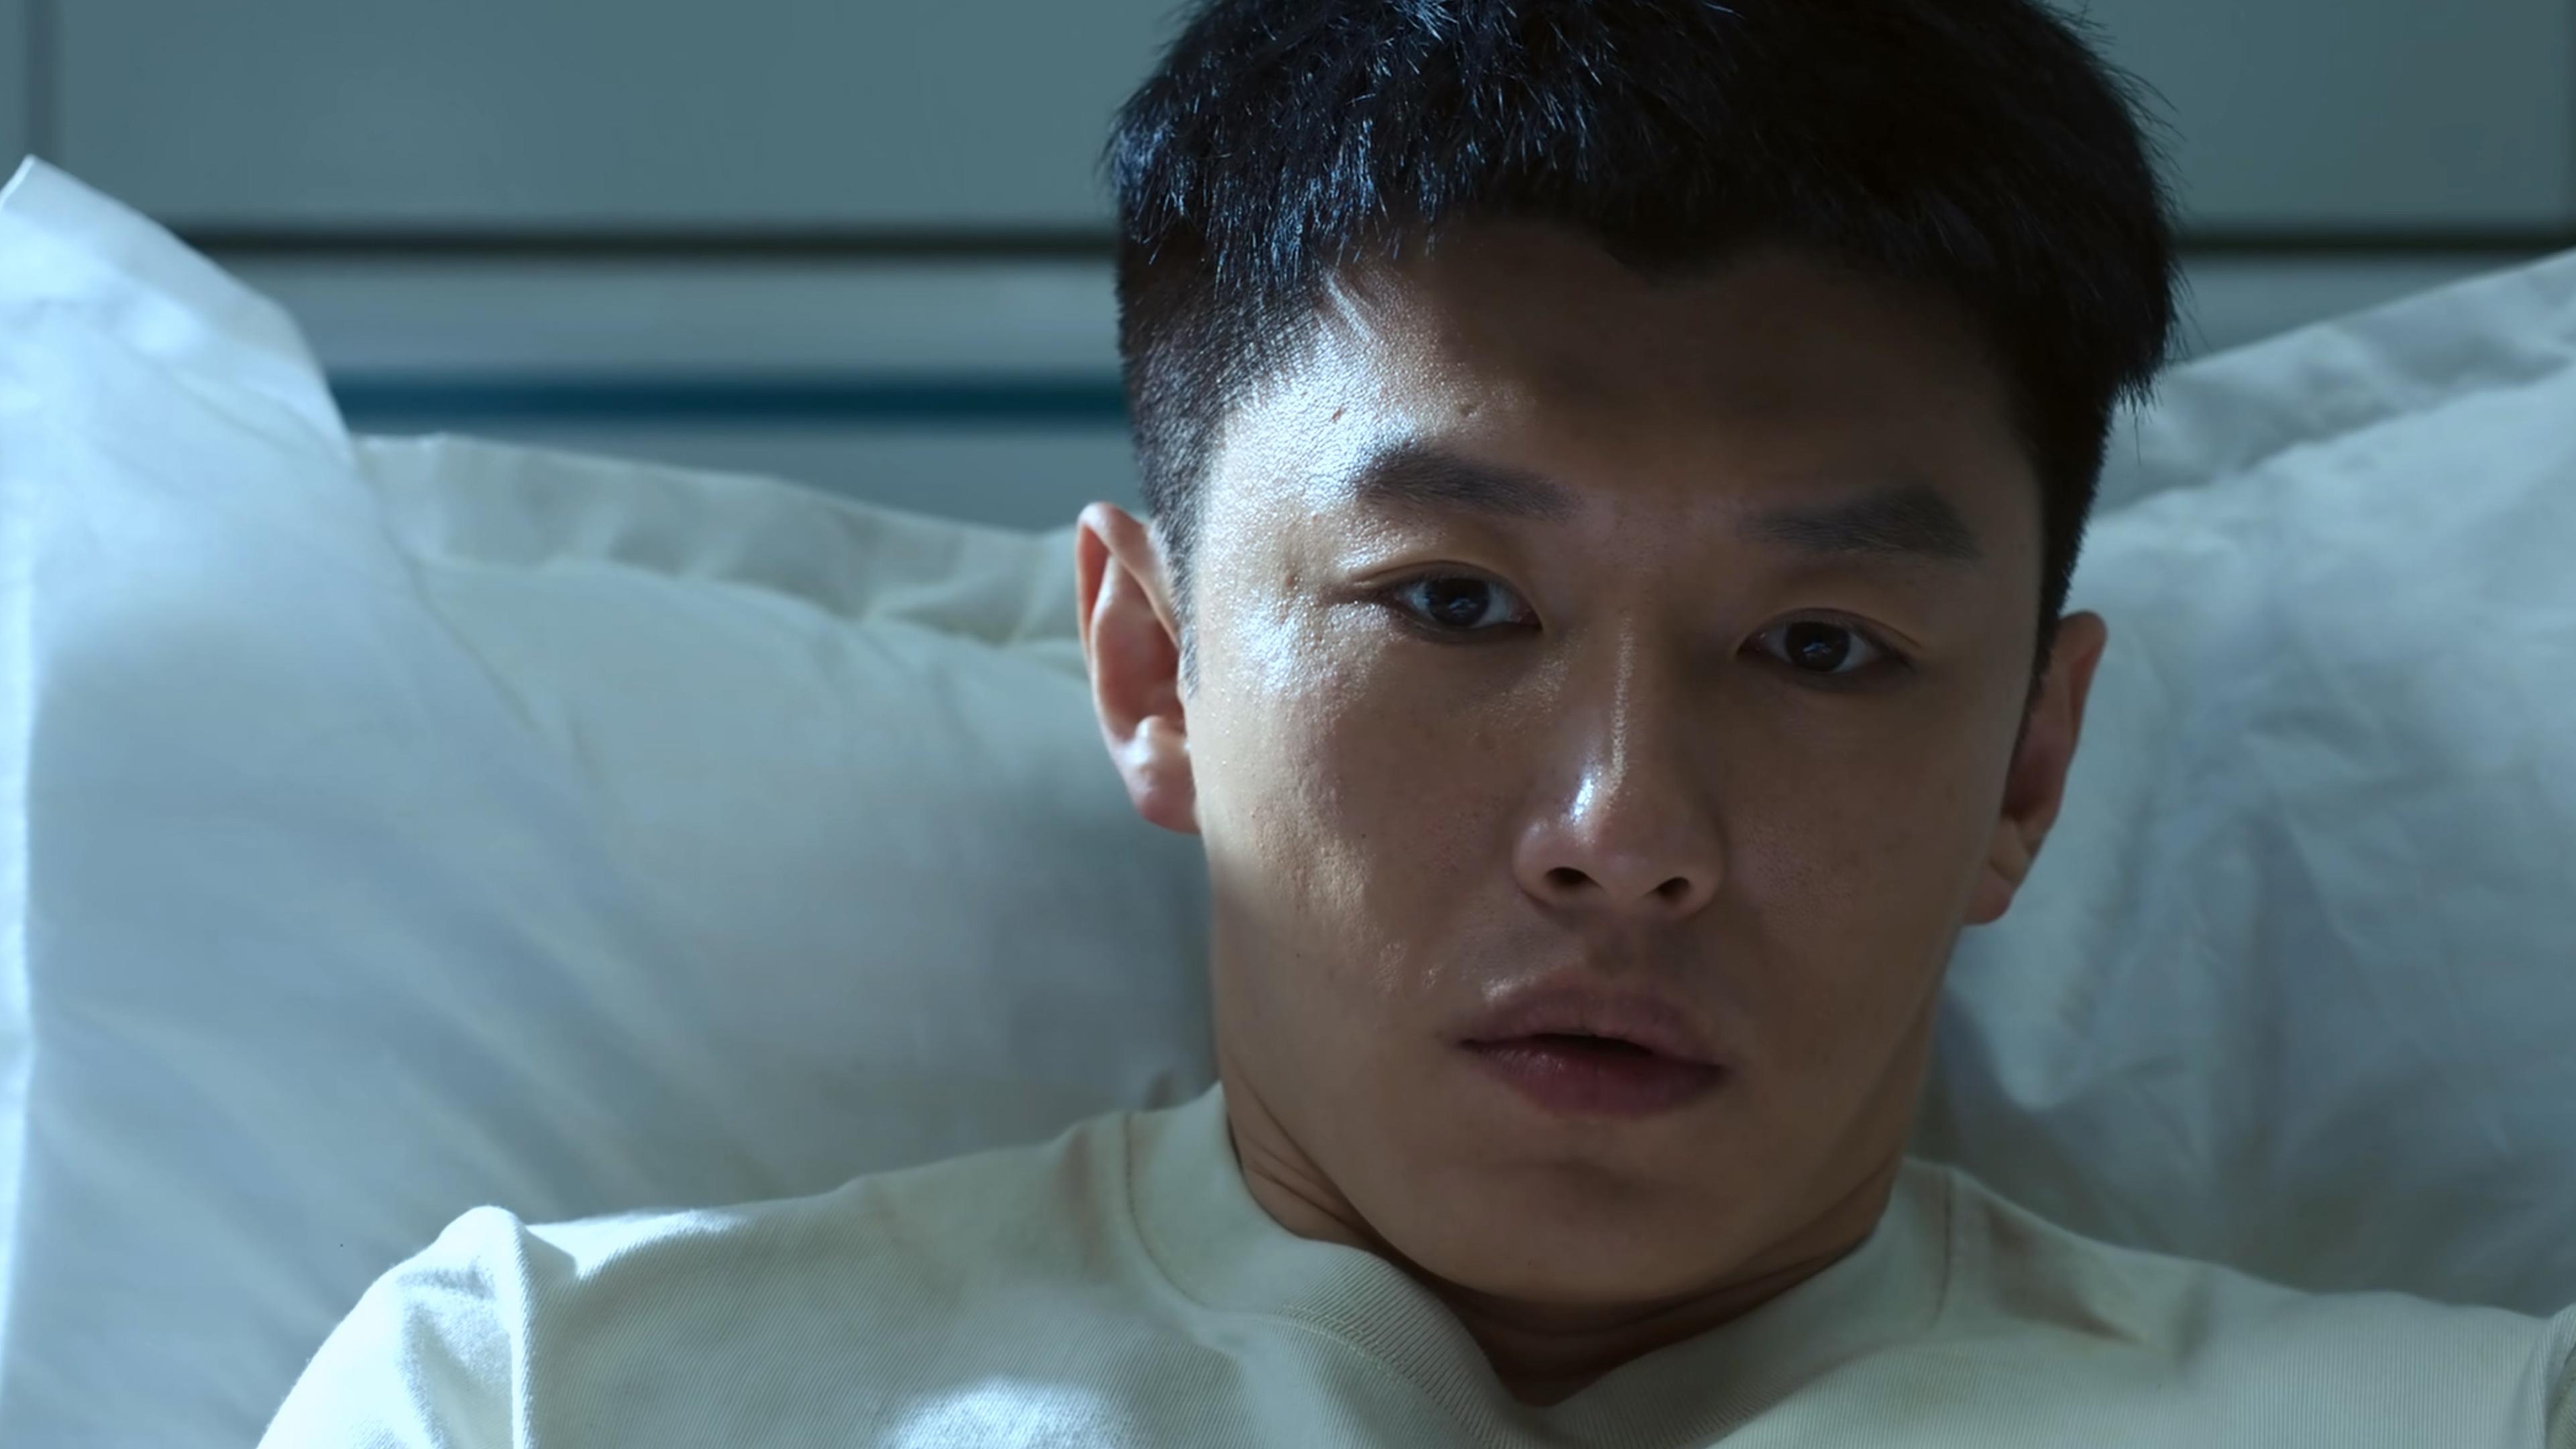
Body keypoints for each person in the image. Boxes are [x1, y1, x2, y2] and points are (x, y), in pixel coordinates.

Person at [261, 1, 2576, 1444]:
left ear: (2031, 770)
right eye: (1453, 604)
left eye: (1823, 648)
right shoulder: (556, 1396)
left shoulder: (2454, 1426)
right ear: (1152, 673)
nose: (1625, 829)